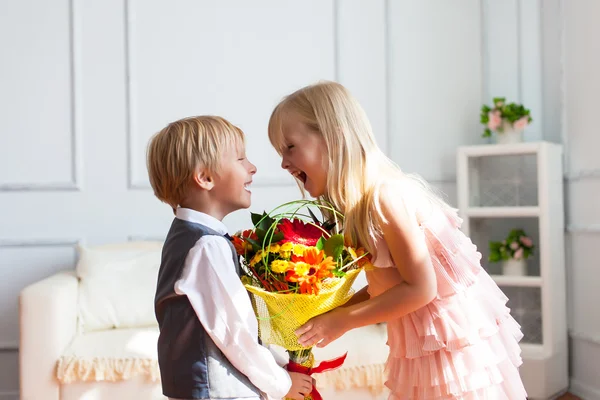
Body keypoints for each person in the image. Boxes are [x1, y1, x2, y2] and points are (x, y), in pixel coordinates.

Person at [267, 82, 527, 399]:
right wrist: (328, 316)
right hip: (420, 341)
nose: (283, 163)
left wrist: (343, 320)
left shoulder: (385, 196)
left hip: (449, 342)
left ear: (332, 137)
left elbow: (421, 288)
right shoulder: (356, 207)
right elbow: (388, 286)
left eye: (289, 148)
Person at [147, 115, 313, 400]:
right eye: (240, 159)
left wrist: (278, 360)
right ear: (205, 178)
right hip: (219, 391)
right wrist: (282, 383)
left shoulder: (192, 238)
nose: (252, 168)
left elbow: (239, 321)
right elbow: (234, 333)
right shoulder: (206, 247)